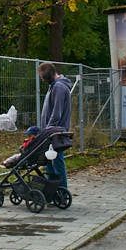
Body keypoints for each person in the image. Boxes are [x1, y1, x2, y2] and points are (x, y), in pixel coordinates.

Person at [38, 62, 72, 190]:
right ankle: (52, 192)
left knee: (57, 162)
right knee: (50, 163)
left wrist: (47, 131)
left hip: (55, 133)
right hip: (52, 132)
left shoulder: (59, 87)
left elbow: (56, 114)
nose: (43, 80)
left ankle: (61, 192)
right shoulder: (54, 85)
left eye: (44, 78)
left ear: (51, 74)